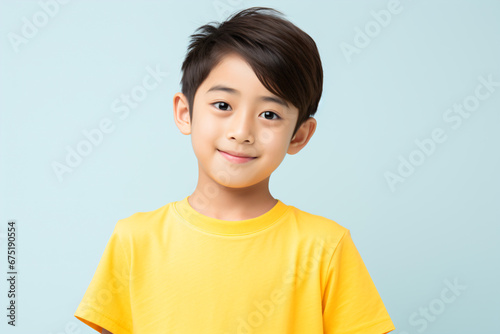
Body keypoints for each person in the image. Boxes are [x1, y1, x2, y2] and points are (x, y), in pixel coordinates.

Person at [74, 6, 395, 334]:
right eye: (223, 106)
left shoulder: (326, 247)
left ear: (299, 135)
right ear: (185, 113)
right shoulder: (135, 240)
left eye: (269, 114)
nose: (242, 131)